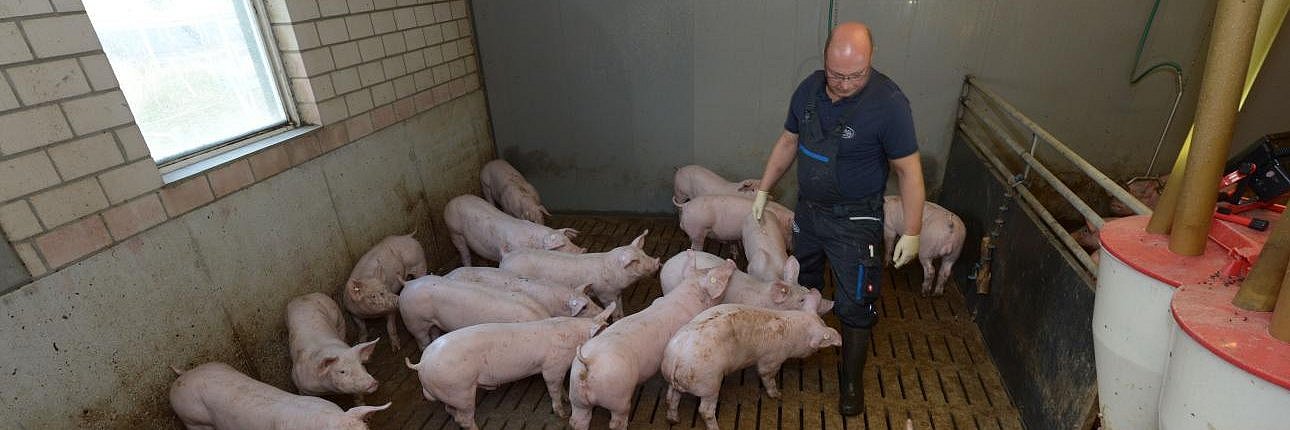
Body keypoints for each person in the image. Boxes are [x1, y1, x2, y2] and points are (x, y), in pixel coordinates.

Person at [750, 22, 925, 416]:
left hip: (856, 219)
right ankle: (799, 345)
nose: (844, 83)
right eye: (836, 74)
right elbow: (788, 141)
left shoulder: (889, 103)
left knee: (856, 301)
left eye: (855, 75)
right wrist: (764, 187)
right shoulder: (808, 90)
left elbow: (909, 170)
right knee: (803, 281)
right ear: (825, 59)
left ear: (871, 60)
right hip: (809, 212)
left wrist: (912, 230)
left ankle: (850, 382)